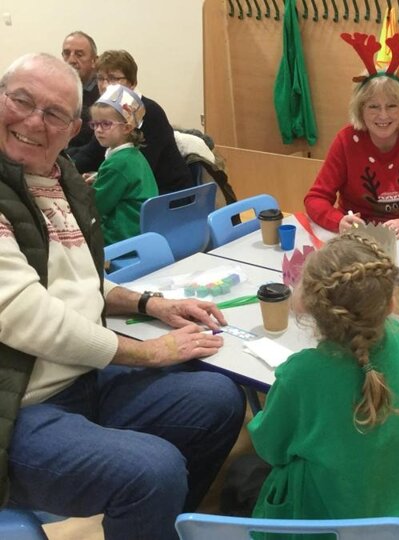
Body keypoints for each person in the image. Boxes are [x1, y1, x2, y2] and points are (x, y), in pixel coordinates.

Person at [0, 53, 245, 540]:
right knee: (153, 470)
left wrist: (151, 304)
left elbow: (81, 279)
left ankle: (160, 525)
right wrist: (147, 353)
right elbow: (25, 314)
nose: (33, 121)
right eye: (21, 101)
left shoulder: (62, 179)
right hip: (20, 408)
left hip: (82, 378)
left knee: (219, 398)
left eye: (54, 113)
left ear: (74, 130)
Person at [248, 234, 399, 525]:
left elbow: (271, 448)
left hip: (322, 521)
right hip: (394, 511)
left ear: (308, 304)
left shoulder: (301, 374)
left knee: (244, 475)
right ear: (391, 304)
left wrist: (260, 420)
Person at [304, 27, 399, 238]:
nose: (383, 115)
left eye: (392, 106)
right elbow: (315, 199)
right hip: (358, 236)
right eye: (373, 106)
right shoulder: (346, 140)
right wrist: (339, 221)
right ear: (360, 109)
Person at [67, 49, 193, 194]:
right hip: (136, 188)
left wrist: (100, 176)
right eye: (100, 78)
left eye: (113, 78)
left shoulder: (150, 112)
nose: (105, 85)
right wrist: (63, 168)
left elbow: (138, 169)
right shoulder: (109, 112)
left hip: (167, 194)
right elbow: (90, 154)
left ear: (132, 83)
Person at [89, 84, 158, 245]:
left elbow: (94, 207)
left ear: (127, 128)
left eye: (106, 124)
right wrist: (99, 177)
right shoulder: (133, 155)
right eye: (95, 124)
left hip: (119, 237)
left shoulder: (117, 164)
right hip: (140, 232)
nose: (98, 130)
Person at [61, 30, 99, 148]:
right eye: (66, 54)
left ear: (94, 61)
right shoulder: (55, 90)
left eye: (79, 54)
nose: (71, 60)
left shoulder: (104, 95)